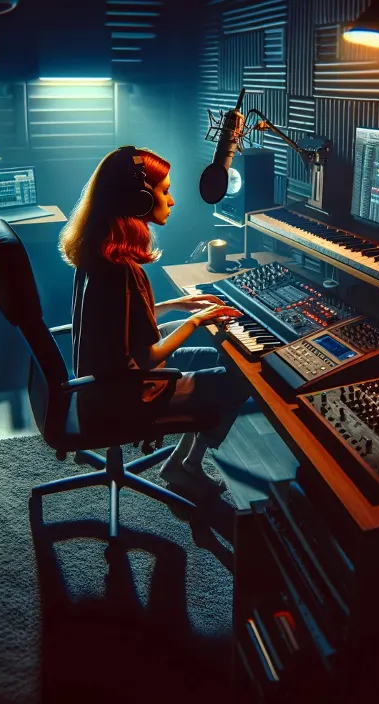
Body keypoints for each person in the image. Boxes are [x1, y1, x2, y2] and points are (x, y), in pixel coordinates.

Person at [59, 145, 250, 498]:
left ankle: (182, 464)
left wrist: (179, 304)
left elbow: (124, 321)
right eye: (164, 191)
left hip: (102, 384)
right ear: (140, 201)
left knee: (229, 362)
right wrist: (198, 320)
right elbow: (147, 357)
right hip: (129, 394)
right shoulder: (124, 271)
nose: (172, 200)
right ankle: (188, 466)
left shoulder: (97, 251)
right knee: (242, 381)